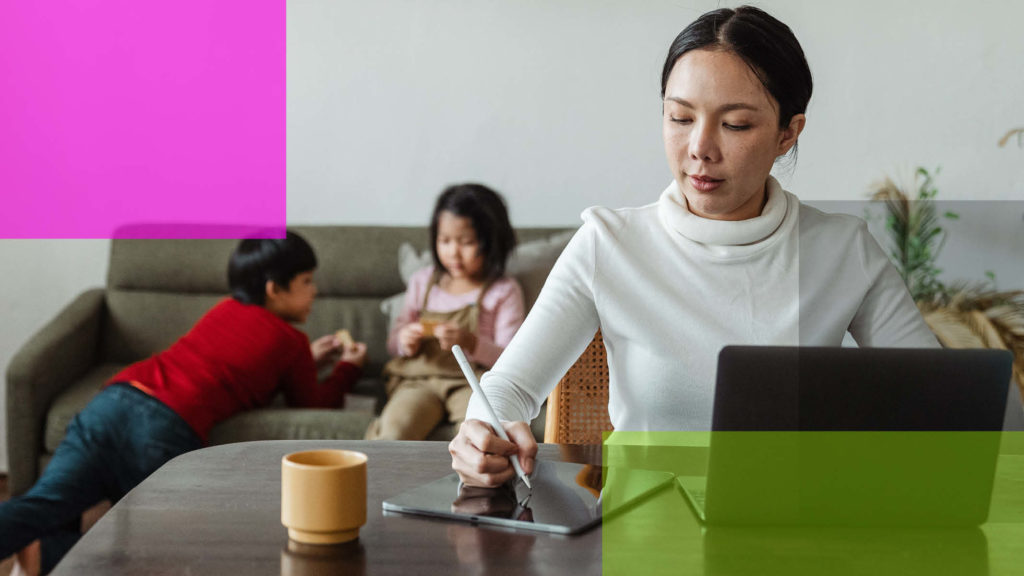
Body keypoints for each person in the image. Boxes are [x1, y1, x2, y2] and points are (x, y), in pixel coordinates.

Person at [449, 5, 940, 487]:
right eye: (680, 118)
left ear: (788, 132)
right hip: (647, 536)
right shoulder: (608, 244)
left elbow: (938, 395)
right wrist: (482, 432)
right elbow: (508, 388)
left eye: (736, 125)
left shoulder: (842, 249)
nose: (700, 147)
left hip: (792, 524)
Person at [1, 231, 368, 575]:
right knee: (165, 548)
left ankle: (43, 554)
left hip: (116, 399)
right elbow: (316, 400)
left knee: (46, 504)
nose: (315, 291)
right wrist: (347, 369)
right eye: (307, 281)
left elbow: (236, 360)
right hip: (164, 427)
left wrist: (310, 359)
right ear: (274, 289)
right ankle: (54, 555)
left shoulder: (224, 311)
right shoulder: (291, 341)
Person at [366, 184, 525, 440]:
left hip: (472, 382)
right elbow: (393, 344)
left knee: (480, 436)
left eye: (467, 242)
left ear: (491, 242)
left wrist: (471, 342)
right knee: (393, 432)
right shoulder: (422, 282)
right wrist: (405, 340)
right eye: (445, 241)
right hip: (419, 380)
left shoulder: (503, 291)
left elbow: (511, 360)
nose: (453, 252)